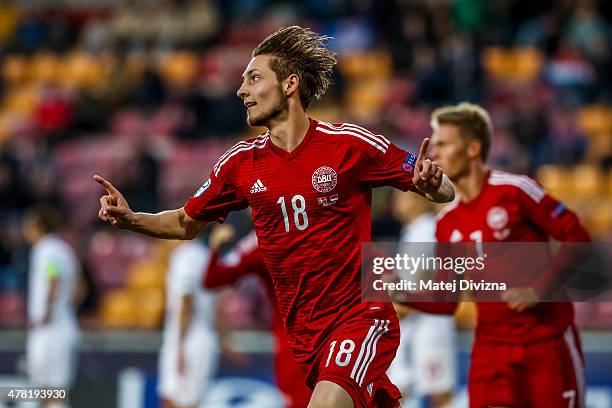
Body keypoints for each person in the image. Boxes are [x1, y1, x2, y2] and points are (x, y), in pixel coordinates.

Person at [95, 25, 454, 408]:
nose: (241, 91)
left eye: (253, 78)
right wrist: (132, 219)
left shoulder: (350, 144)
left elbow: (442, 188)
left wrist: (433, 184)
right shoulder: (239, 164)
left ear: (289, 85)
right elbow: (185, 223)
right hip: (303, 335)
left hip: (360, 318)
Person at [410, 102, 590, 407]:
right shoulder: (446, 224)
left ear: (472, 148)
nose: (435, 153)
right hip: (491, 352)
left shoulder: (515, 191)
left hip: (545, 343)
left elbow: (578, 237)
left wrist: (539, 289)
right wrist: (397, 293)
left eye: (443, 143)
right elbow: (445, 301)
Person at [204, 224, 312, 408]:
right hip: (344, 334)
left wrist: (215, 246)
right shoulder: (336, 220)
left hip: (298, 344)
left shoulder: (261, 239)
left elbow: (212, 278)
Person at [387, 192, 456, 407]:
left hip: (430, 327)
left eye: (401, 197)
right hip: (416, 326)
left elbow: (417, 286)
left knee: (440, 394)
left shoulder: (424, 232)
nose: (394, 201)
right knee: (402, 392)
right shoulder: (413, 231)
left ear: (419, 199)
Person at [24, 206, 80, 408]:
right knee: (53, 391)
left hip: (50, 330)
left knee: (50, 392)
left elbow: (53, 276)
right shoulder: (65, 249)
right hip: (64, 324)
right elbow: (79, 289)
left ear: (38, 226)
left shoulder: (45, 249)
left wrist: (47, 311)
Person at [158, 236, 219, 408]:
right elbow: (218, 305)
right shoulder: (206, 255)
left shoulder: (185, 257)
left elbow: (186, 300)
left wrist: (180, 348)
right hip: (203, 335)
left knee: (177, 401)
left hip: (188, 337)